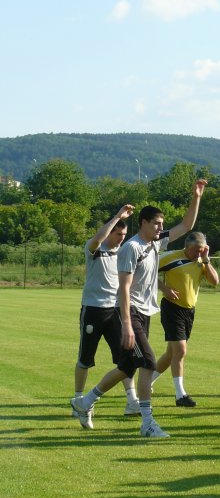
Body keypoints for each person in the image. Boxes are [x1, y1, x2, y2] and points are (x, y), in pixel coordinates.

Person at [71, 180, 208, 437]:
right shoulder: (131, 248)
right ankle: (147, 422)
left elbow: (186, 226)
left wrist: (196, 197)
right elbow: (123, 289)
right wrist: (125, 324)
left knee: (127, 367)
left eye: (161, 224)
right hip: (130, 312)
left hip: (145, 312)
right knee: (147, 362)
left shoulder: (155, 243)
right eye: (156, 223)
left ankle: (84, 402)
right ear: (143, 223)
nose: (160, 228)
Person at [73, 204, 140, 418]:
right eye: (118, 233)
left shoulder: (122, 254)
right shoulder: (94, 249)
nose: (122, 238)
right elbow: (98, 238)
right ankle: (78, 399)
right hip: (93, 310)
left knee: (125, 358)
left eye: (124, 234)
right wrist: (117, 216)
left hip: (115, 312)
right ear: (110, 232)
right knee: (85, 359)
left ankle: (132, 401)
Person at [151, 231, 219, 407]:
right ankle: (180, 395)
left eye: (201, 250)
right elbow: (148, 271)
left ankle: (147, 381)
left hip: (189, 311)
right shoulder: (172, 257)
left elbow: (215, 281)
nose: (197, 253)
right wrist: (164, 289)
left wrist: (206, 259)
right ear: (186, 247)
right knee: (180, 351)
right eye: (195, 250)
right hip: (172, 308)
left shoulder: (201, 260)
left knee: (171, 353)